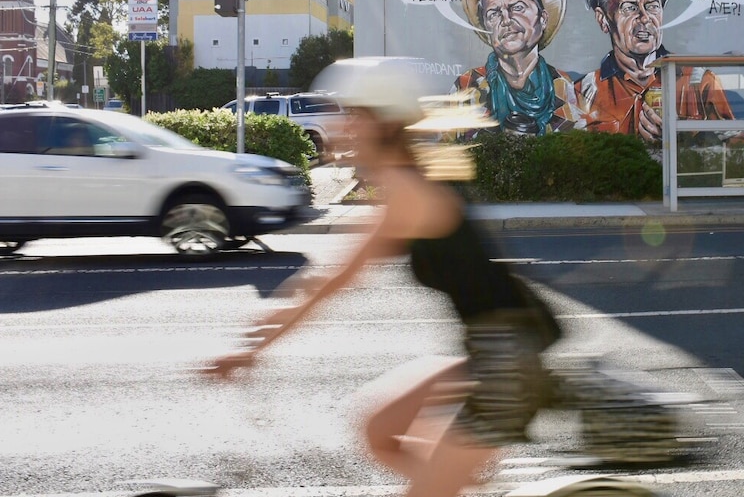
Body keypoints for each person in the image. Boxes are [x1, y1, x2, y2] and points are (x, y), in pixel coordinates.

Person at [204, 57, 562, 497]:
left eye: (352, 116)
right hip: (489, 349)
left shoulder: (409, 196)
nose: (341, 128)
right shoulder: (406, 185)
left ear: (385, 123)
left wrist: (254, 350)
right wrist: (255, 346)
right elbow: (327, 281)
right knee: (379, 430)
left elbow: (330, 284)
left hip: (507, 362)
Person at [574, 0, 735, 143]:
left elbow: (738, 152)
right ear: (603, 19)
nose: (644, 18)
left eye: (652, 6)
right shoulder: (584, 93)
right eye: (630, 7)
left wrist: (683, 138)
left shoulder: (699, 82)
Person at [453, 0, 581, 136]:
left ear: (543, 18)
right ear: (486, 29)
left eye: (518, 7)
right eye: (494, 13)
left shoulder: (564, 87)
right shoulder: (467, 85)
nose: (506, 19)